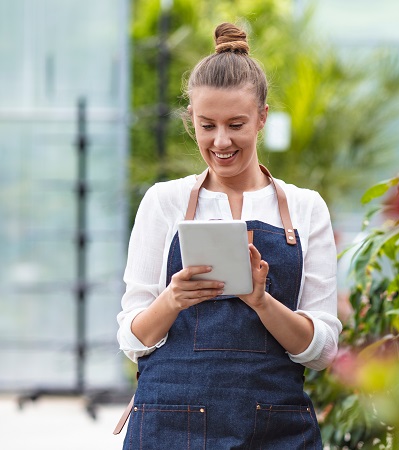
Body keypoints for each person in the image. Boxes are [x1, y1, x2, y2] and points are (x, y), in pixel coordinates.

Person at [114, 22, 341, 449]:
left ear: (262, 118)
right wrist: (173, 299)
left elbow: (322, 349)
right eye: (207, 126)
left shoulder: (306, 209)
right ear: (191, 123)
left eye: (236, 124)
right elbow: (132, 338)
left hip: (274, 428)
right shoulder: (164, 201)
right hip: (169, 426)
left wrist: (261, 301)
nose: (221, 141)